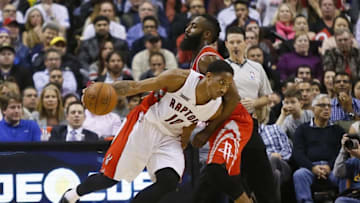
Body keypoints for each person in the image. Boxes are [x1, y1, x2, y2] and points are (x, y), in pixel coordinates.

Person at [60, 60, 235, 203]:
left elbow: (191, 122)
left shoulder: (215, 108)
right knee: (109, 179)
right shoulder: (180, 78)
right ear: (209, 76)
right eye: (221, 82)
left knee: (169, 181)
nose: (223, 89)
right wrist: (103, 89)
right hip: (145, 123)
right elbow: (136, 86)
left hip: (170, 136)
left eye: (227, 86)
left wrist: (185, 139)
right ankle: (72, 195)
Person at [181, 15, 276, 202]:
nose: (187, 30)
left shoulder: (208, 58)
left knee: (216, 171)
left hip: (235, 122)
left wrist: (207, 131)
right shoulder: (200, 58)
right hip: (228, 121)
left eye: (193, 26)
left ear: (206, 34)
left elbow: (233, 98)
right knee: (255, 178)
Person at [293, 94, 344, 203]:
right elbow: (298, 153)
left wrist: (329, 166)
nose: (326, 108)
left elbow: (341, 152)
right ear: (313, 108)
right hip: (309, 168)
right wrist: (312, 167)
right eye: (322, 105)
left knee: (345, 172)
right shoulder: (302, 129)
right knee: (299, 175)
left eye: (329, 106)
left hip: (333, 168)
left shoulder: (337, 130)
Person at [333, 134, 360, 203]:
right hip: (355, 195)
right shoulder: (353, 161)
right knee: (341, 200)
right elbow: (338, 173)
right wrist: (343, 150)